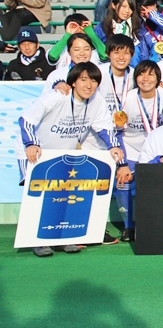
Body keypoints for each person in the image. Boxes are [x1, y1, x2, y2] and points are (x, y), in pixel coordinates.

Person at [18, 62, 125, 256]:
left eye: (94, 81)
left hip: (62, 154)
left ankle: (63, 238)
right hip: (34, 151)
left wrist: (114, 145)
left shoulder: (97, 101)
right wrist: (31, 143)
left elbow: (104, 128)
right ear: (73, 82)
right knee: (39, 194)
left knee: (63, 194)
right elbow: (26, 120)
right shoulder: (57, 96)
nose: (89, 85)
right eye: (83, 80)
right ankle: (37, 240)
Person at [119, 60, 163, 240]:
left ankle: (158, 223)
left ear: (158, 78)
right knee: (123, 182)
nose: (145, 78)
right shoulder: (127, 98)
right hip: (131, 149)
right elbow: (117, 130)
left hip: (158, 151)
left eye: (151, 74)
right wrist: (122, 162)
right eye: (141, 74)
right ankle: (128, 227)